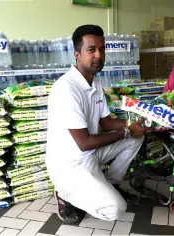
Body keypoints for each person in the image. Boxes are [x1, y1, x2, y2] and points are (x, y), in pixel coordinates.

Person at [45, 25, 149, 224]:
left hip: (90, 154)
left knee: (138, 136)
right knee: (116, 209)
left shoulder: (95, 83)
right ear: (77, 54)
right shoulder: (66, 89)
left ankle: (110, 183)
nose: (98, 55)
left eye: (102, 49)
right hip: (70, 164)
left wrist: (139, 123)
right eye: (91, 50)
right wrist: (127, 130)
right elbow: (84, 142)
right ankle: (65, 194)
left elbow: (107, 122)